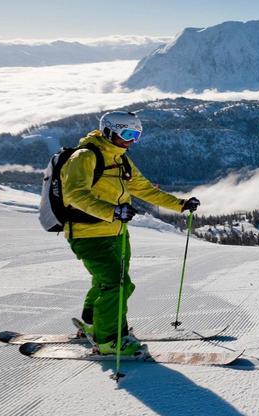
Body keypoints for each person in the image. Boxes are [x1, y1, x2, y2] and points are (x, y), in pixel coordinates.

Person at [61, 111, 199, 355]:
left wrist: (180, 204)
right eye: (127, 134)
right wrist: (112, 211)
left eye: (136, 135)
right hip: (87, 233)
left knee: (108, 281)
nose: (131, 140)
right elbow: (74, 194)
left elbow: (144, 189)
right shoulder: (85, 157)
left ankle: (93, 325)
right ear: (109, 131)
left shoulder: (121, 159)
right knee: (117, 284)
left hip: (116, 232)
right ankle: (109, 340)